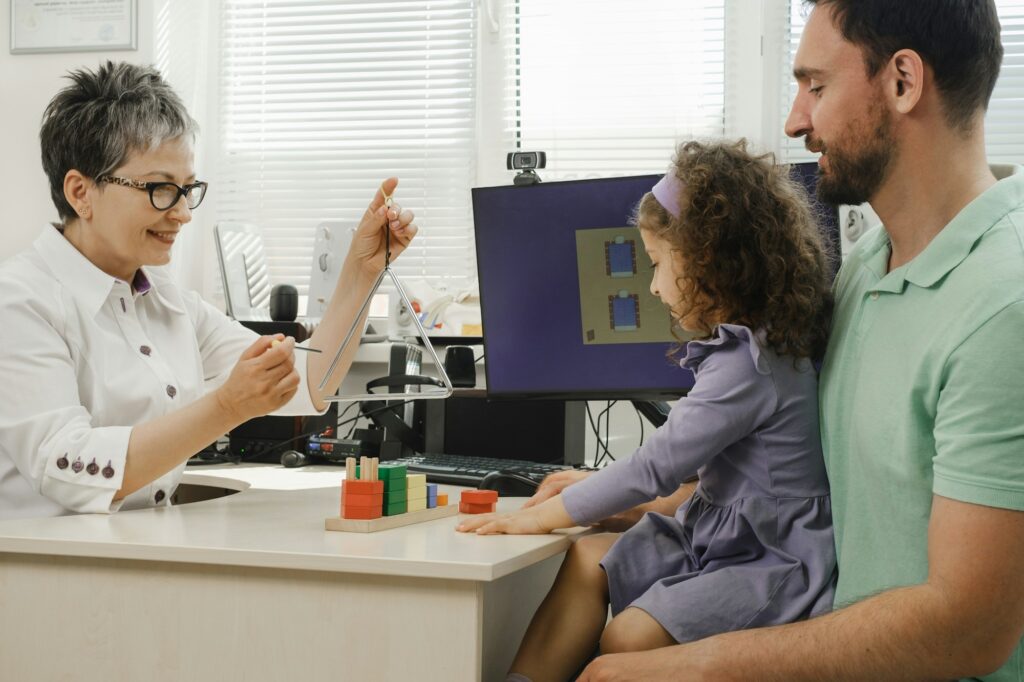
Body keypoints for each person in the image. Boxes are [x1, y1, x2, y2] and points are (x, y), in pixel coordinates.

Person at [576, 1, 1024, 680]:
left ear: (903, 81)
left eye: (815, 86)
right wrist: (639, 502)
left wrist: (697, 666)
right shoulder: (868, 269)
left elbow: (971, 629)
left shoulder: (1002, 305)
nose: (794, 121)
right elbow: (810, 487)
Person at [457, 139, 837, 682]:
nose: (654, 287)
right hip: (719, 534)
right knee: (589, 560)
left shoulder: (750, 365)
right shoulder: (749, 347)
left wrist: (537, 516)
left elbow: (653, 467)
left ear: (712, 262)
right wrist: (588, 494)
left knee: (627, 637)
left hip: (770, 558)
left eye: (658, 264)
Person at [0, 61, 417, 520]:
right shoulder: (20, 303)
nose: (182, 213)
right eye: (160, 189)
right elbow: (69, 471)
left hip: (133, 553)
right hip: (45, 570)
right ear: (81, 192)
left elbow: (309, 379)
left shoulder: (164, 298)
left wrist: (361, 272)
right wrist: (226, 406)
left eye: (187, 189)